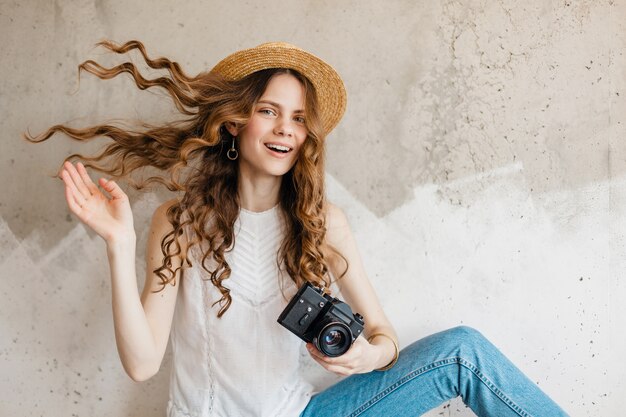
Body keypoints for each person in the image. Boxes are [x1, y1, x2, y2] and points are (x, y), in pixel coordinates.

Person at [26, 40, 569, 417]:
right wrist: (118, 245)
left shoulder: (323, 223)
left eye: (299, 117)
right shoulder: (182, 222)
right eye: (269, 111)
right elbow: (143, 363)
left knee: (462, 352)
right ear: (236, 123)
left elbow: (386, 339)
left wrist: (365, 356)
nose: (286, 129)